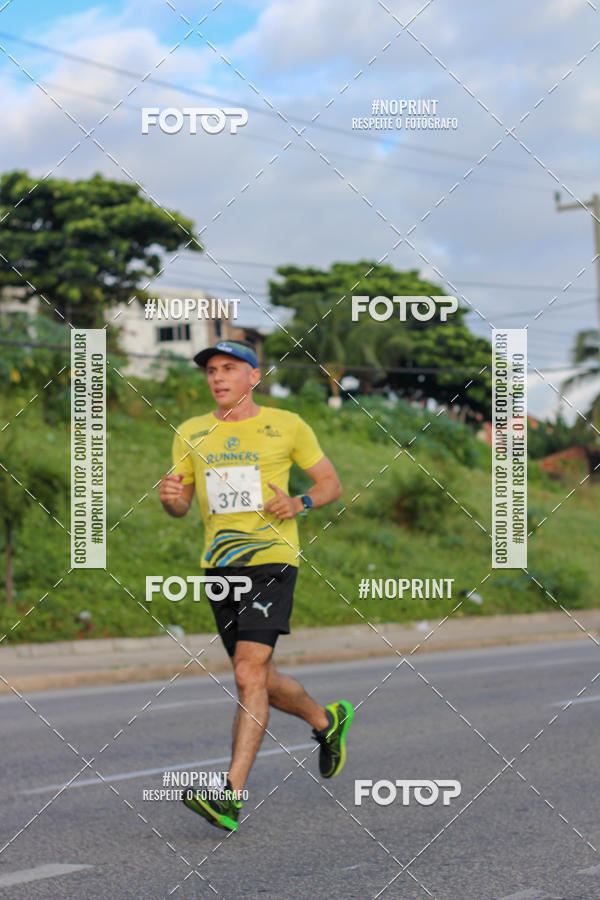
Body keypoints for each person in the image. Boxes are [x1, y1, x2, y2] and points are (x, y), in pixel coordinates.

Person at [158, 339, 353, 832]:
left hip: (271, 562)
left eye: (228, 368)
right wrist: (171, 498)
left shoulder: (287, 425)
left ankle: (231, 796)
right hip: (219, 567)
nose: (217, 377)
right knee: (258, 678)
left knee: (248, 673)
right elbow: (179, 506)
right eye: (210, 371)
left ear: (253, 375)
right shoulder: (190, 432)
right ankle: (327, 721)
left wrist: (300, 504)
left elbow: (330, 483)